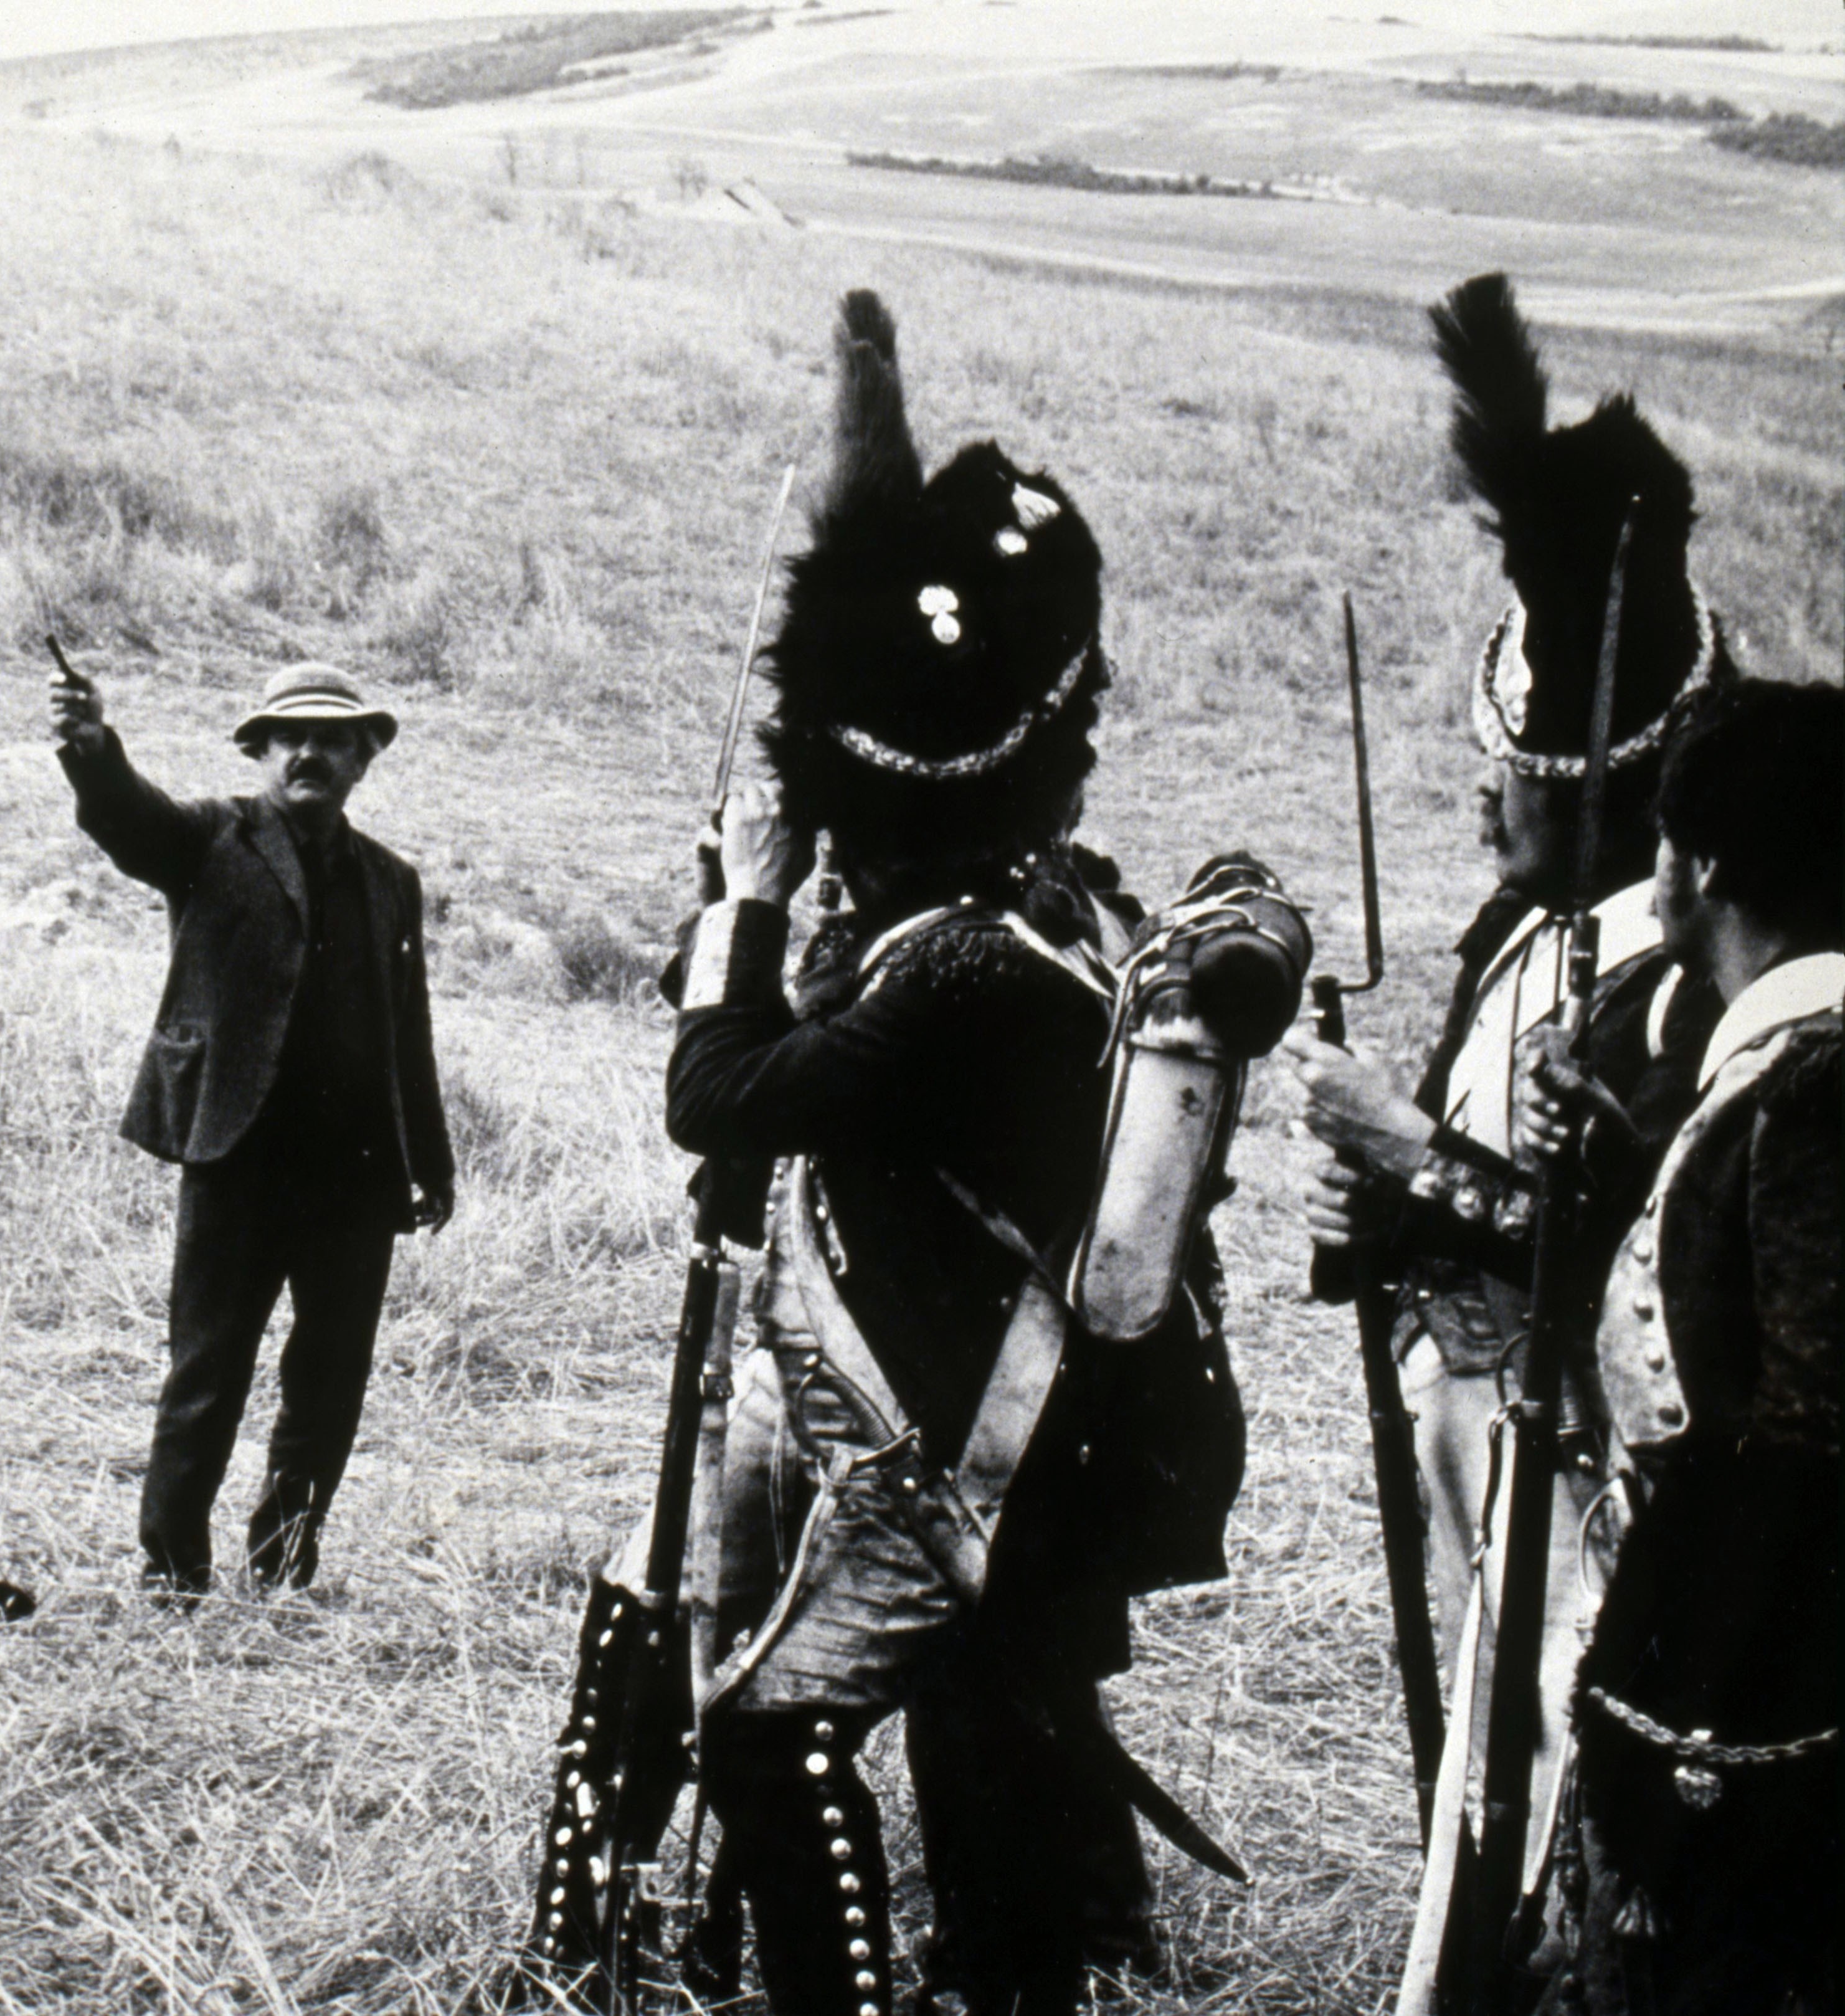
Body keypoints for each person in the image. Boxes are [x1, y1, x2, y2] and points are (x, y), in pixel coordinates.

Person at [663, 290, 1245, 2016]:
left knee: (770, 1741)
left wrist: (747, 904)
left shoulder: (963, 968)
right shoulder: (1031, 918)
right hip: (1026, 1448)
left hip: (984, 1461)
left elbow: (719, 1095)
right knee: (997, 1778)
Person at [1284, 272, 1731, 1895]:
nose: (1482, 815)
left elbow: (1597, 1223)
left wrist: (1397, 1149)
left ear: (1583, 792)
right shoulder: (1505, 933)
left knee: (1566, 1796)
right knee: (1484, 1784)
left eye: (1505, 785)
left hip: (1603, 1469)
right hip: (1469, 1417)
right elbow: (1436, 1187)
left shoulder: (1680, 987)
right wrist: (1367, 1199)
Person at [1531, 679, 1838, 2016]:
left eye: (1658, 846)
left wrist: (1688, 1723)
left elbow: (1810, 1429)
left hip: (1764, 1710)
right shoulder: (1774, 1069)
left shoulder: (1817, 1087)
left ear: (1700, 864)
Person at [48, 659, 453, 1596]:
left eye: (334, 739)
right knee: (208, 1372)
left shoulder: (393, 880)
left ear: (364, 760)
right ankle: (174, 1573)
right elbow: (124, 816)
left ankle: (283, 1568)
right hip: (237, 1157)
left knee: (331, 1381)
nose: (310, 751)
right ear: (261, 752)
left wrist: (428, 1159)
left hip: (354, 1173)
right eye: (291, 737)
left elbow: (410, 1026)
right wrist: (91, 747)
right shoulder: (207, 839)